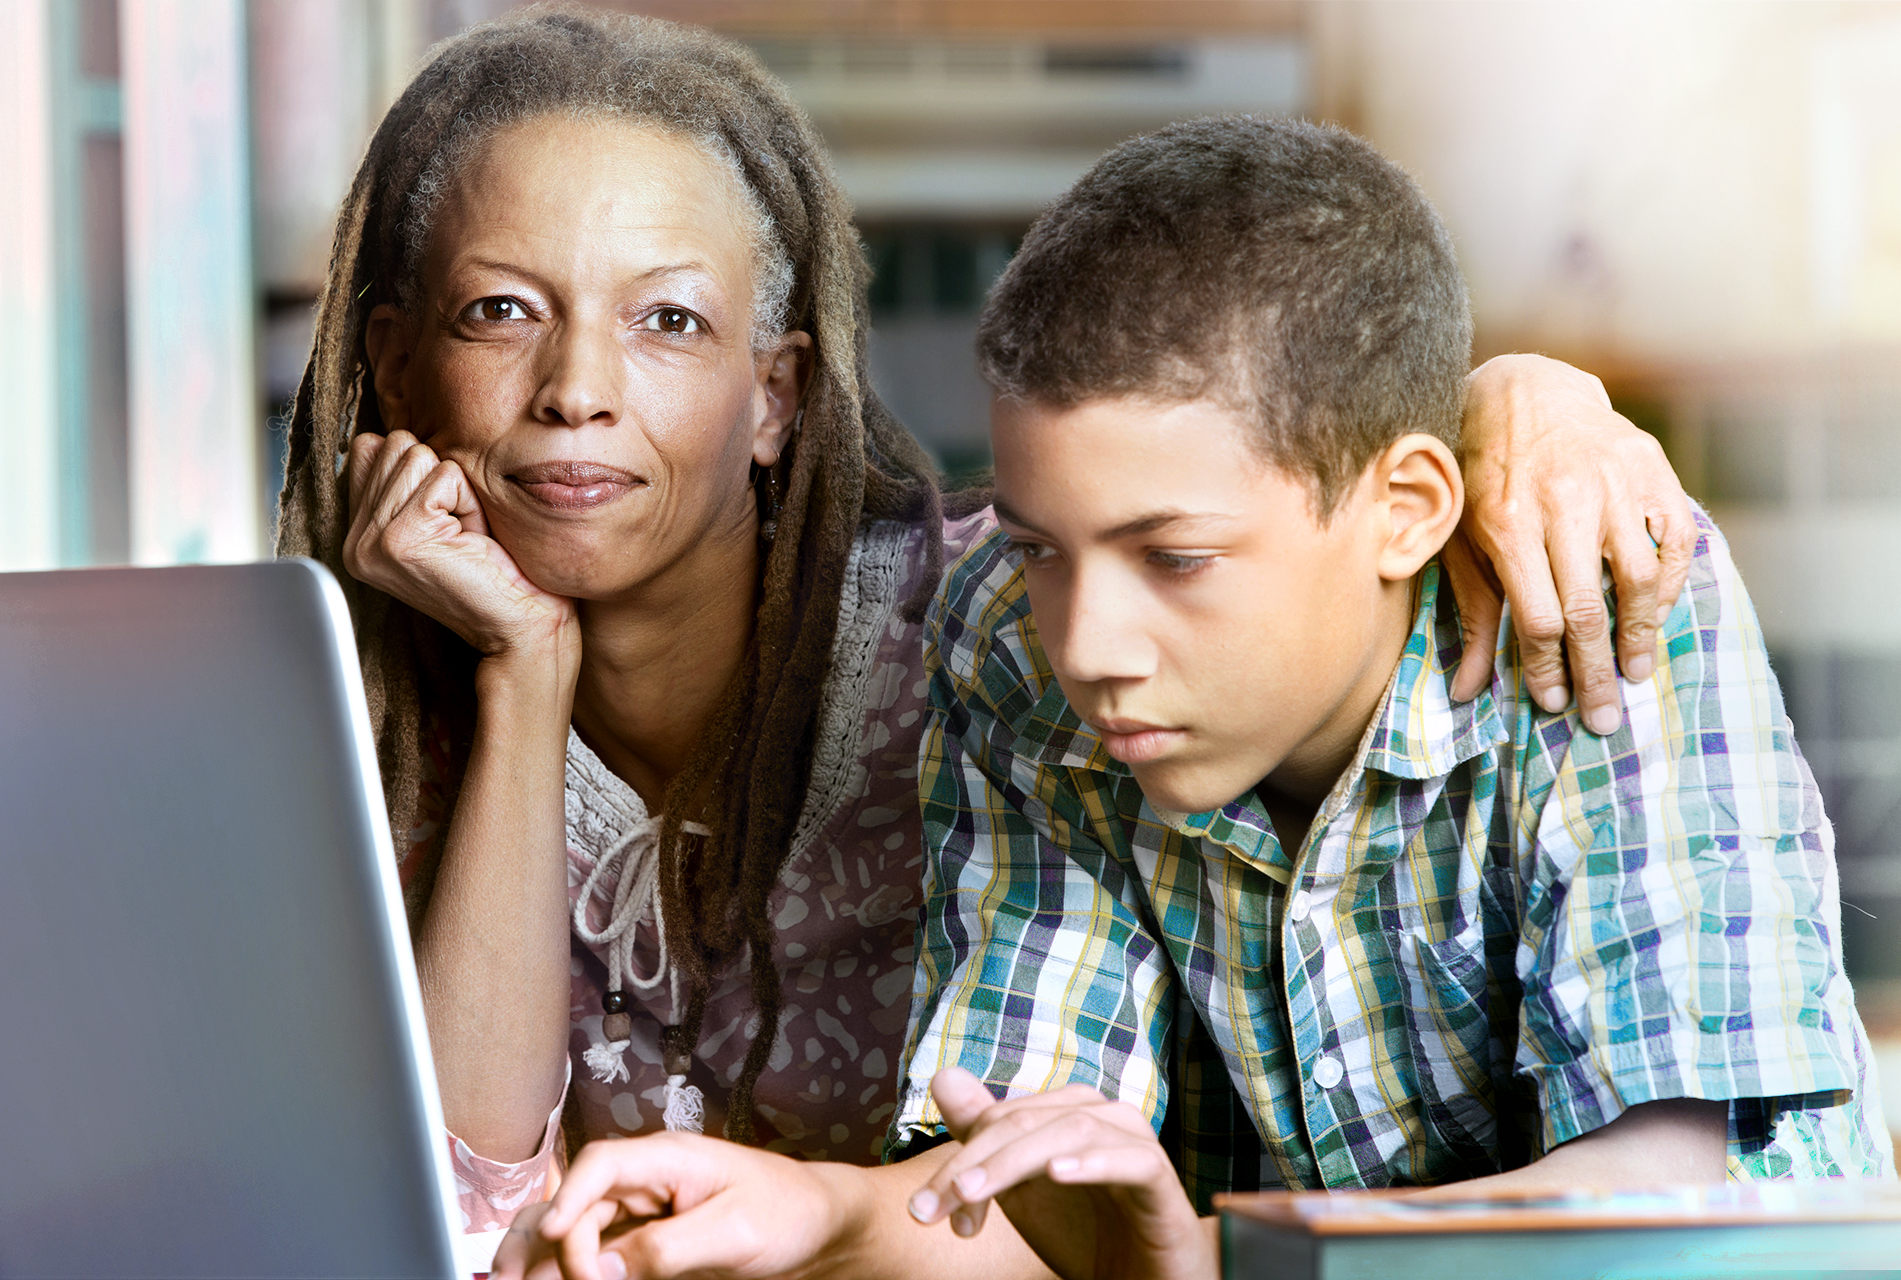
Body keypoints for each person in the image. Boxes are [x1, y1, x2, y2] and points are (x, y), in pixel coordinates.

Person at [273, 5, 1696, 1266]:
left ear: (777, 397)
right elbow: (456, 1221)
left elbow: (1268, 458)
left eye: (669, 322)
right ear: (395, 360)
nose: (575, 386)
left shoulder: (1000, 624)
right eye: (500, 311)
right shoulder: (352, 717)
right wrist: (526, 676)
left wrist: (1525, 399)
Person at [876, 117, 1892, 1279]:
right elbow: (1021, 1155)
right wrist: (821, 1218)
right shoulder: (1009, 635)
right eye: (1043, 548)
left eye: (1177, 558)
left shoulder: (1604, 587)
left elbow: (1659, 1190)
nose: (1089, 647)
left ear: (1408, 510)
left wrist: (1215, 1260)